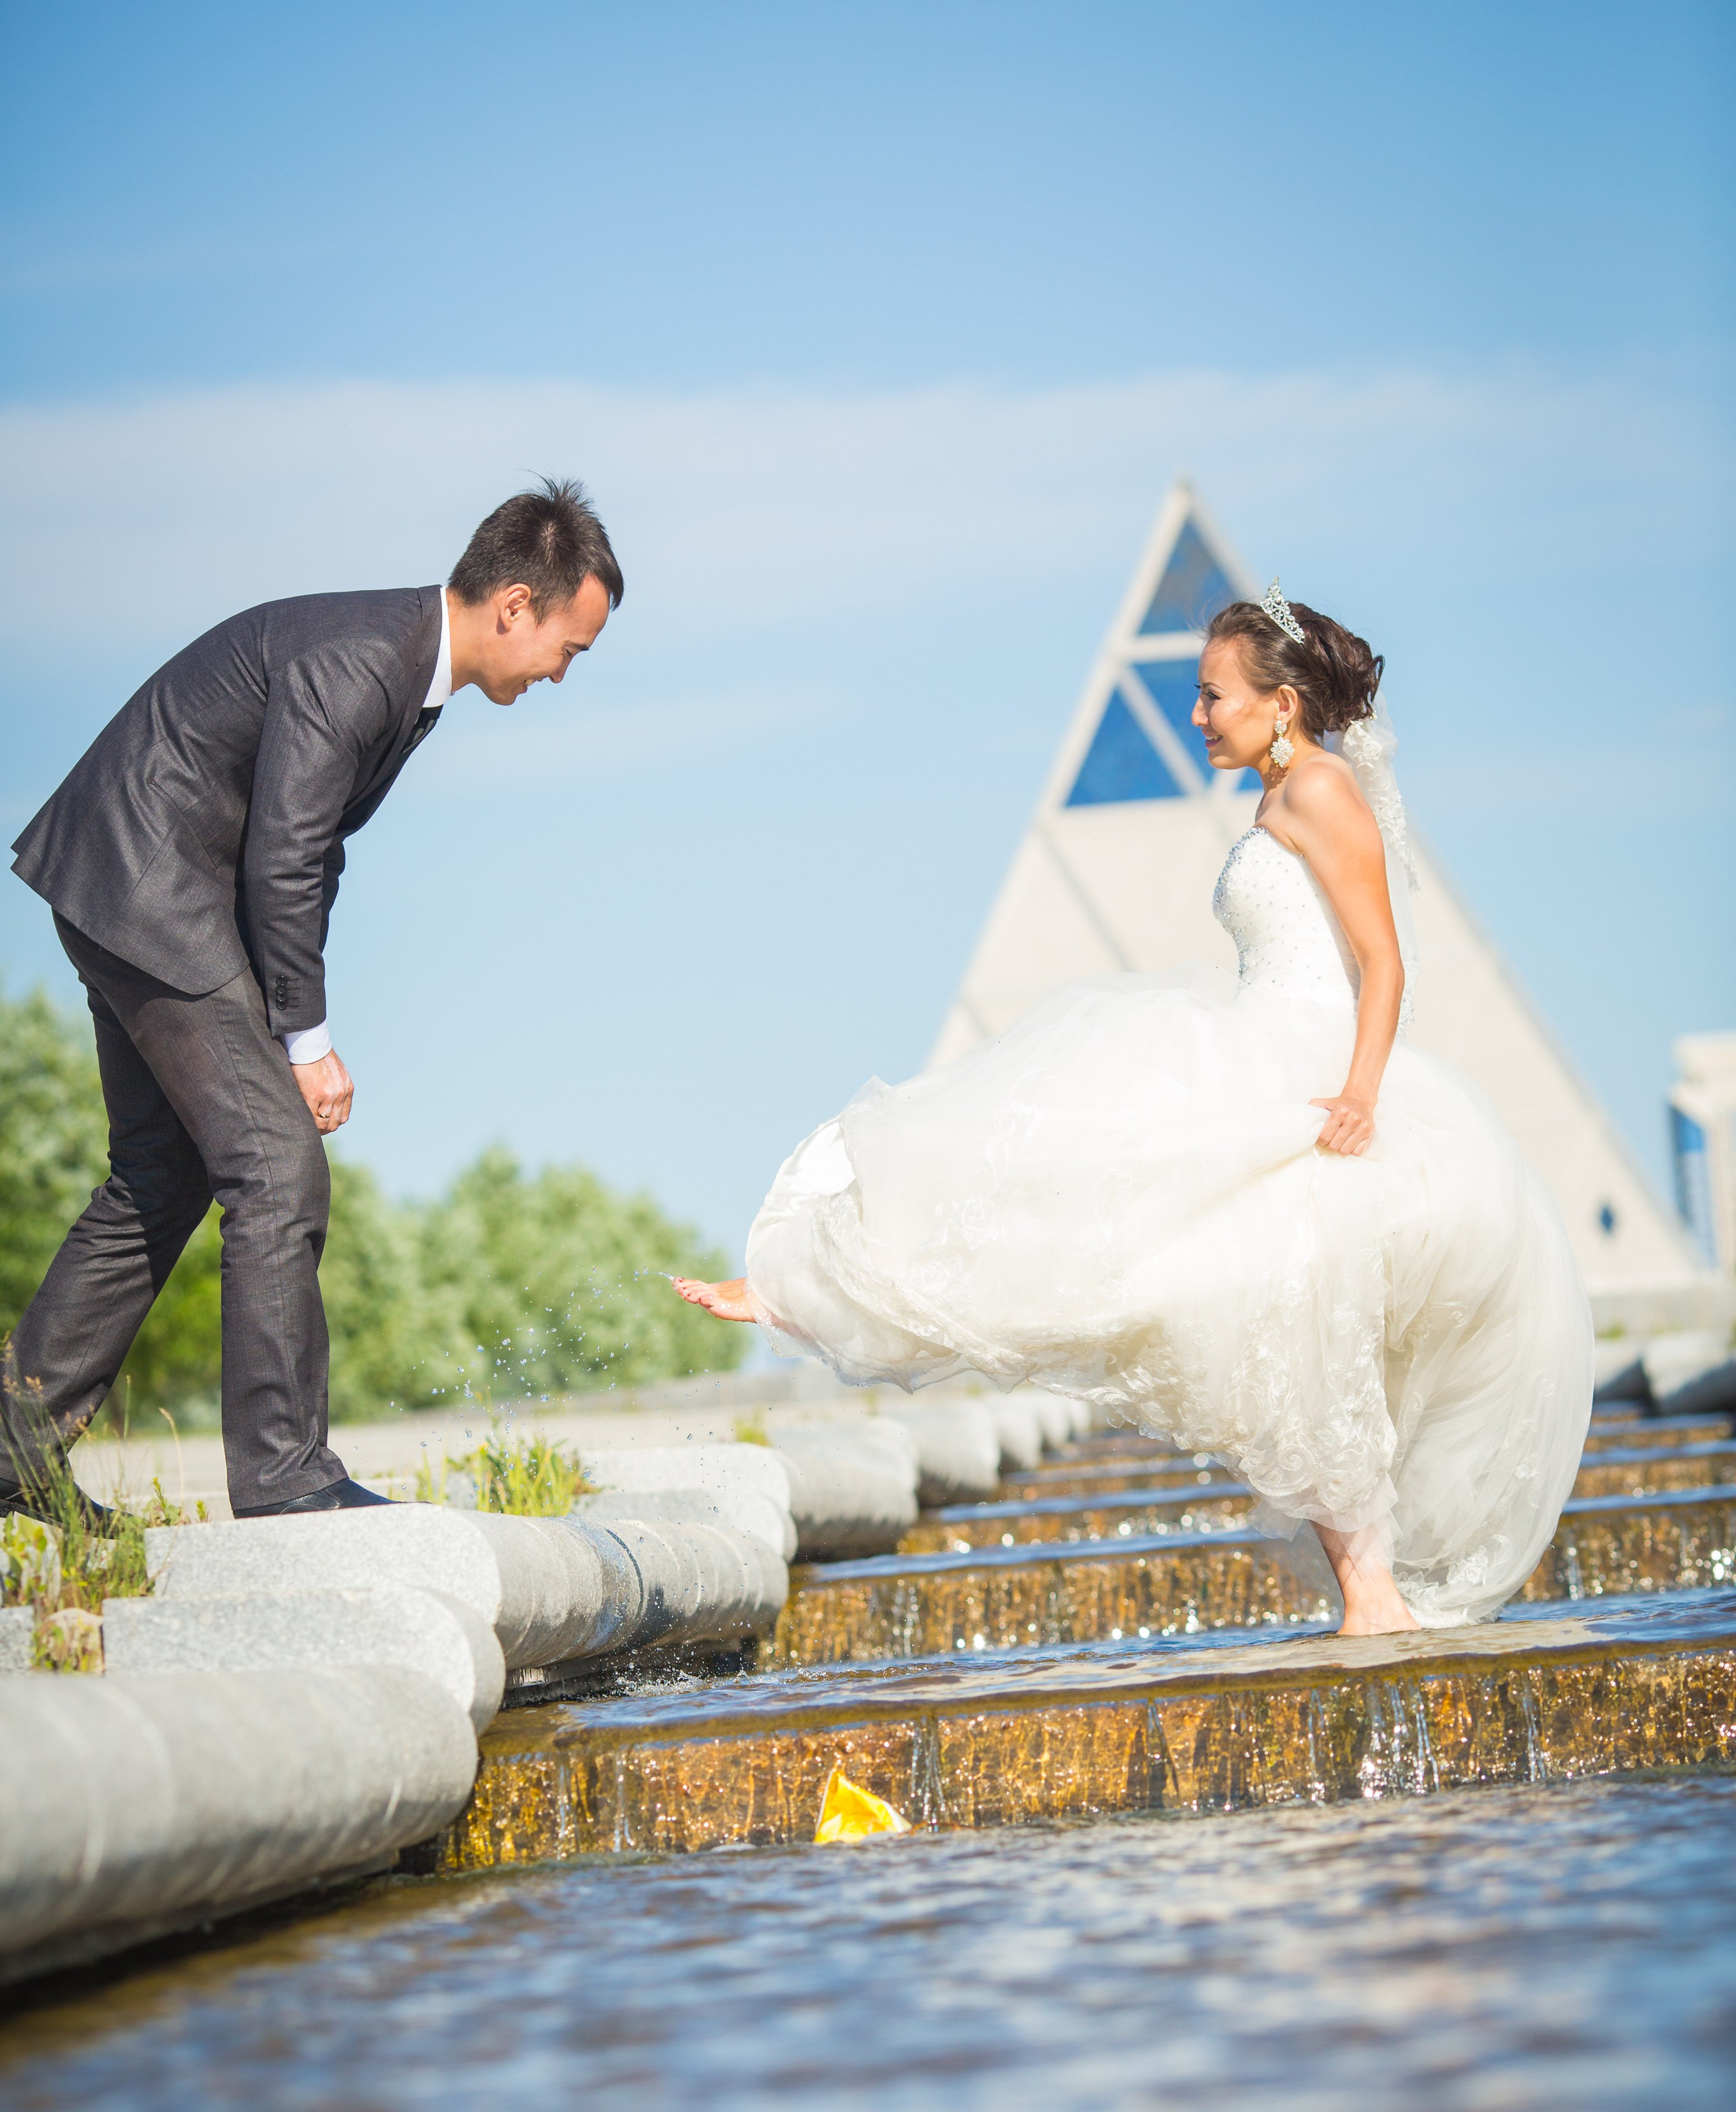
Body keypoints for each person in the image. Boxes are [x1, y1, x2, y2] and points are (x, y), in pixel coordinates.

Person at [677, 583, 1594, 1633]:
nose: (1197, 717)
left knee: (1237, 1296)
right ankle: (813, 1287)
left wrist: (1357, 1096)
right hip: (1264, 1055)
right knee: (1127, 1232)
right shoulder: (1282, 793)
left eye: (1213, 697)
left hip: (1310, 1080)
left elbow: (1384, 965)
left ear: (1282, 703)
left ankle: (1372, 1595)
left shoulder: (1322, 791)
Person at [3, 477, 622, 1519]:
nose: (564, 674)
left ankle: (13, 1451)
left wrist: (288, 1022)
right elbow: (284, 853)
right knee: (278, 1169)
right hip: (151, 882)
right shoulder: (365, 661)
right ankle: (288, 1483)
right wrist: (304, 1039)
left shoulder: (405, 675)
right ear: (516, 605)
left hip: (127, 881)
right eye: (572, 648)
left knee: (162, 1175)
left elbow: (307, 854)